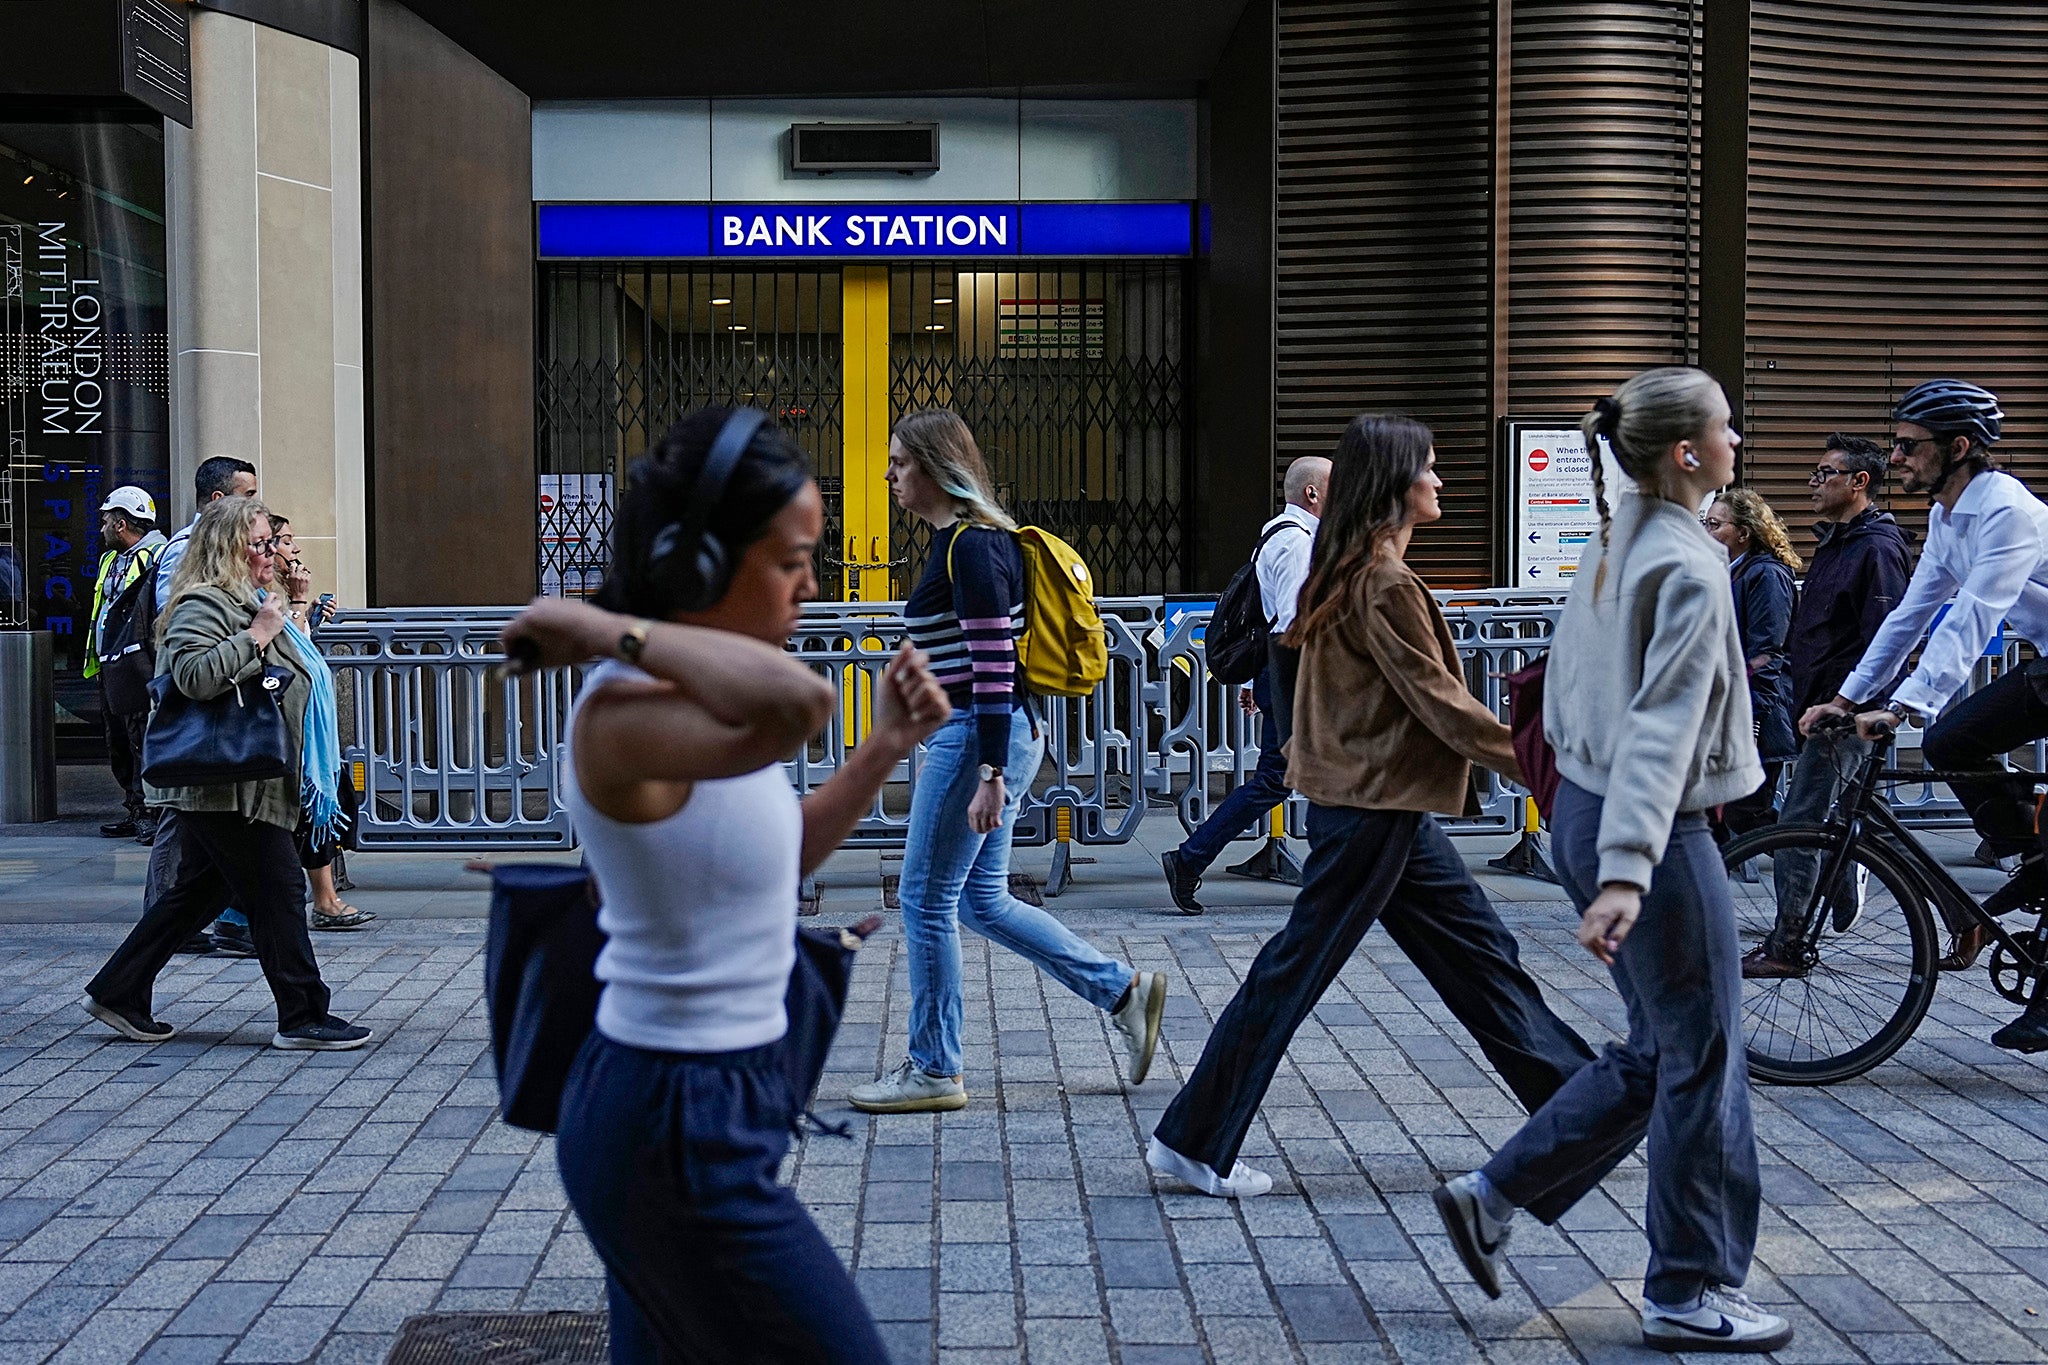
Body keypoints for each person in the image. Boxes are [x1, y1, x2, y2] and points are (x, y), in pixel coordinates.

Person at [500, 405, 951, 1363]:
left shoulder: (705, 703)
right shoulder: (623, 711)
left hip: (717, 1101)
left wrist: (883, 751)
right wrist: (606, 627)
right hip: (673, 1117)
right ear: (702, 563)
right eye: (792, 561)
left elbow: (772, 868)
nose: (811, 586)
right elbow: (802, 702)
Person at [1144, 413, 1598, 1201]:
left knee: (1481, 957)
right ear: (1396, 484)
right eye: (1430, 467)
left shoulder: (1352, 568)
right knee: (1295, 974)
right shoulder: (1379, 580)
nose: (1440, 481)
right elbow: (1442, 706)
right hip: (1372, 810)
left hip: (1378, 807)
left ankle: (1586, 1111)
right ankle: (1192, 1140)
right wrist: (1552, 764)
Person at [1434, 367, 1791, 1354]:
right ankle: (1685, 1288)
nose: (1734, 443)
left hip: (1586, 813)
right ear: (1686, 451)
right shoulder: (1683, 562)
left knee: (1658, 1049)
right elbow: (1662, 729)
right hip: (1652, 829)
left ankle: (1492, 1193)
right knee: (1701, 1058)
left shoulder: (1614, 538)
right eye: (1725, 428)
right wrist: (1631, 871)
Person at [849, 409, 1165, 1113]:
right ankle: (1122, 990)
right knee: (980, 900)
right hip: (993, 733)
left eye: (899, 463)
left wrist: (990, 772)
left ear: (934, 467)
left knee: (925, 899)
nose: (888, 475)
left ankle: (934, 1068)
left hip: (979, 737)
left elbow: (994, 666)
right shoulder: (964, 545)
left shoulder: (972, 548)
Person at [1806, 380, 2048, 1048]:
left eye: (1910, 446)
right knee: (1950, 743)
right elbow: (1914, 613)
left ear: (1959, 447)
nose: (1897, 457)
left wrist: (1905, 706)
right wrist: (1850, 698)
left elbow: (1977, 613)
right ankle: (2031, 852)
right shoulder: (1948, 515)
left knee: (1939, 729)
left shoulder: (2006, 510)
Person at [82, 497, 371, 1051]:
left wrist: (283, 614)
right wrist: (258, 634)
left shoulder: (256, 600)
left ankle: (118, 991)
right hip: (228, 783)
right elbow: (192, 677)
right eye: (260, 544)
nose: (272, 553)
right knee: (280, 889)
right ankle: (303, 1015)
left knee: (196, 893)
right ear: (227, 548)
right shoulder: (203, 605)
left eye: (271, 542)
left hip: (250, 778)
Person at [1744, 435, 1910, 979]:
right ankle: (1960, 914)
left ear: (1858, 482)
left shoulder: (1877, 548)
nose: (1812, 484)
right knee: (1852, 818)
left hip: (1846, 714)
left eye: (1823, 474)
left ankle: (1787, 942)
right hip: (1818, 704)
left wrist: (1854, 706)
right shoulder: (1838, 542)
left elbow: (1886, 637)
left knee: (1800, 822)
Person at [1162, 455, 1329, 913]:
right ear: (1312, 493)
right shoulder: (1296, 544)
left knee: (1279, 780)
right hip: (1297, 676)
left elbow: (1268, 615)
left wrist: (1261, 679)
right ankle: (1190, 859)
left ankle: (1190, 859)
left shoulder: (1274, 534)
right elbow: (1293, 622)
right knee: (1304, 779)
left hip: (1281, 673)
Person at [146, 457, 260, 958]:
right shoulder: (189, 557)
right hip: (199, 712)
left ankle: (191, 921)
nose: (255, 504)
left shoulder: (229, 564)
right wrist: (253, 636)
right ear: (219, 501)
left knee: (205, 845)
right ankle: (163, 919)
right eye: (246, 494)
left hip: (224, 712)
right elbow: (183, 642)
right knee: (180, 815)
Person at [272, 513, 371, 934]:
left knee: (315, 807)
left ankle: (323, 900)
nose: (295, 549)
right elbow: (284, 655)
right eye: (284, 541)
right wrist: (298, 606)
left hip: (309, 723)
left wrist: (308, 612)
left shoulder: (276, 593)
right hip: (286, 725)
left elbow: (296, 646)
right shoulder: (259, 596)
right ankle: (315, 903)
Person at [1701, 490, 1800, 837]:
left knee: (1745, 812)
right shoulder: (1729, 572)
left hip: (1755, 713)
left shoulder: (1765, 576)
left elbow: (1768, 652)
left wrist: (1753, 717)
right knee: (1717, 815)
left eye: (1715, 524)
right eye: (1705, 523)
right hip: (1727, 710)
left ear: (1743, 532)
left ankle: (1810, 854)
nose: (1706, 532)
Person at [87, 486, 167, 840]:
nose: (101, 526)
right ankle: (134, 807)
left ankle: (150, 811)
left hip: (136, 665)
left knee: (140, 738)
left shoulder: (157, 556)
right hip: (110, 664)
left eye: (106, 520)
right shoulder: (110, 560)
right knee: (118, 738)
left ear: (121, 524)